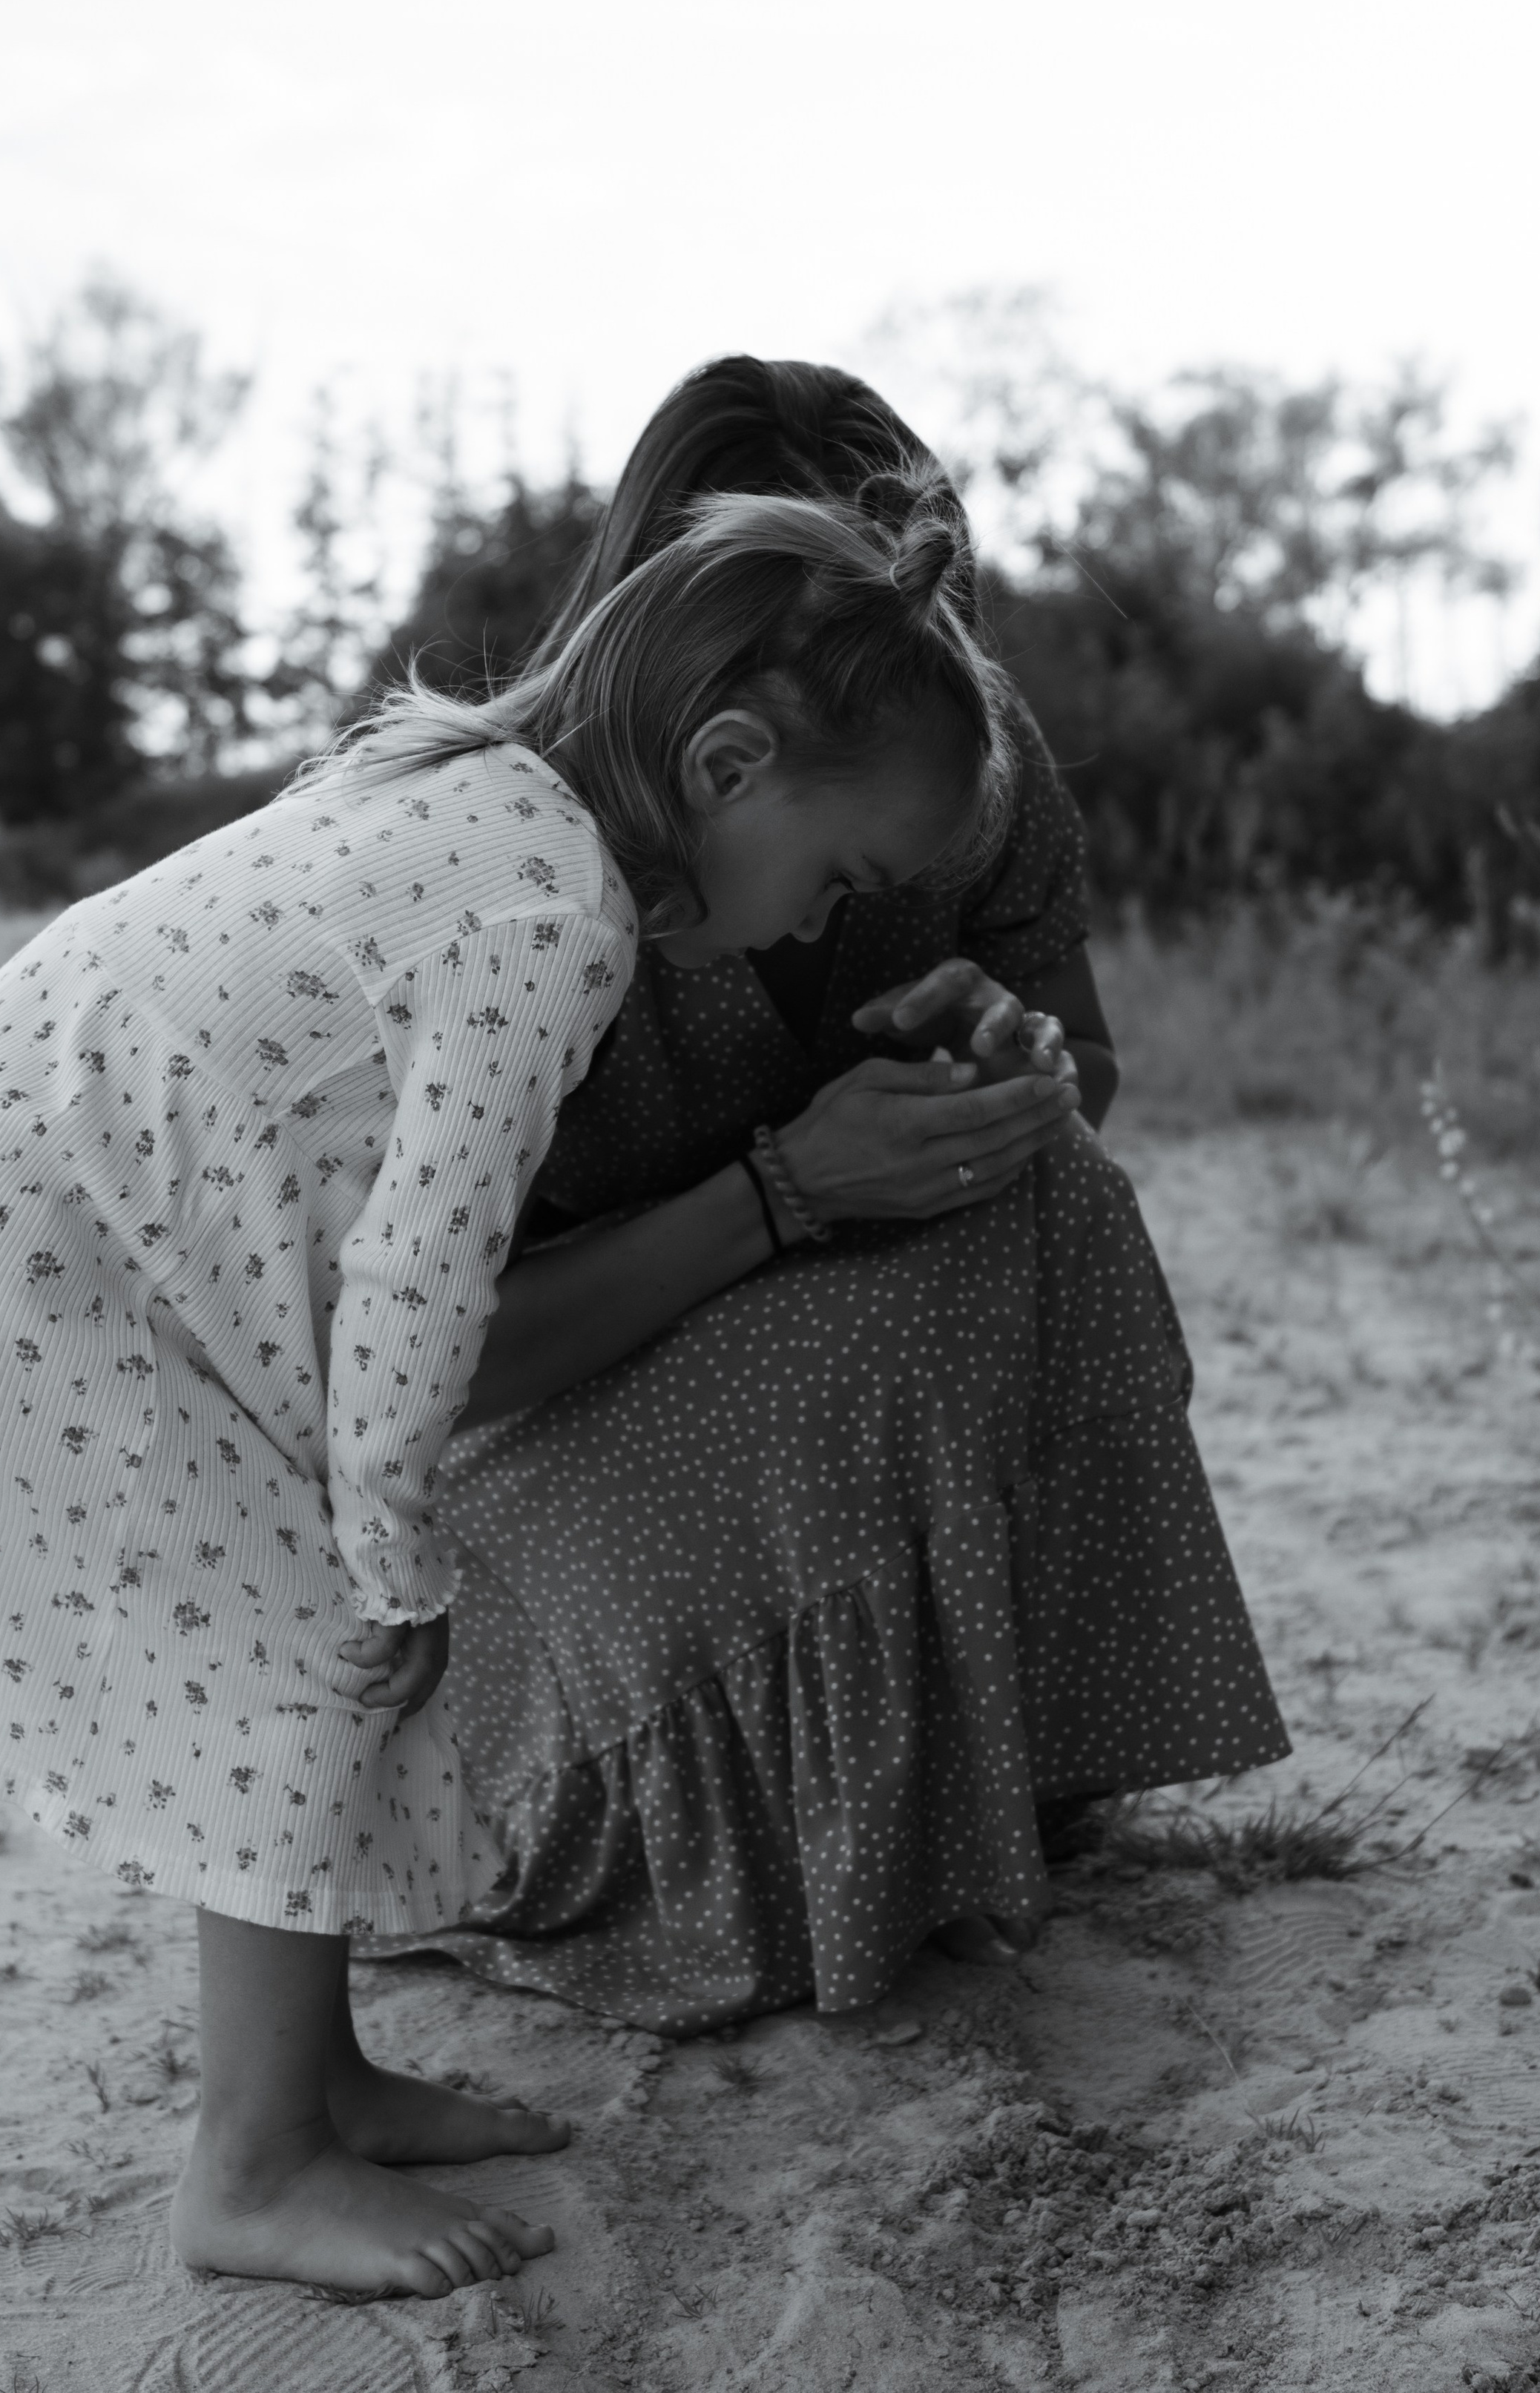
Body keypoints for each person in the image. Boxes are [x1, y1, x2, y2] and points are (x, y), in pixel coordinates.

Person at [0, 487, 1034, 2297]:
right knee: (306, 1647)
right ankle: (254, 2164)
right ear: (729, 762)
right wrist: (396, 1559)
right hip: (22, 1289)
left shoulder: (451, 801)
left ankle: (321, 2081)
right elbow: (418, 1271)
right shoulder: (551, 916)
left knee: (292, 1651)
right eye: (831, 880)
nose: (799, 934)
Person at [413, 357, 1291, 2033]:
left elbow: (1081, 1063)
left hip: (794, 1348)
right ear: (663, 616)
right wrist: (785, 1187)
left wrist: (1009, 1061)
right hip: (532, 1424)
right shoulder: (500, 862)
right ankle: (705, 1838)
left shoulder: (954, 757)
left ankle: (988, 1779)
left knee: (1064, 1195)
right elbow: (421, 1368)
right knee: (849, 1342)